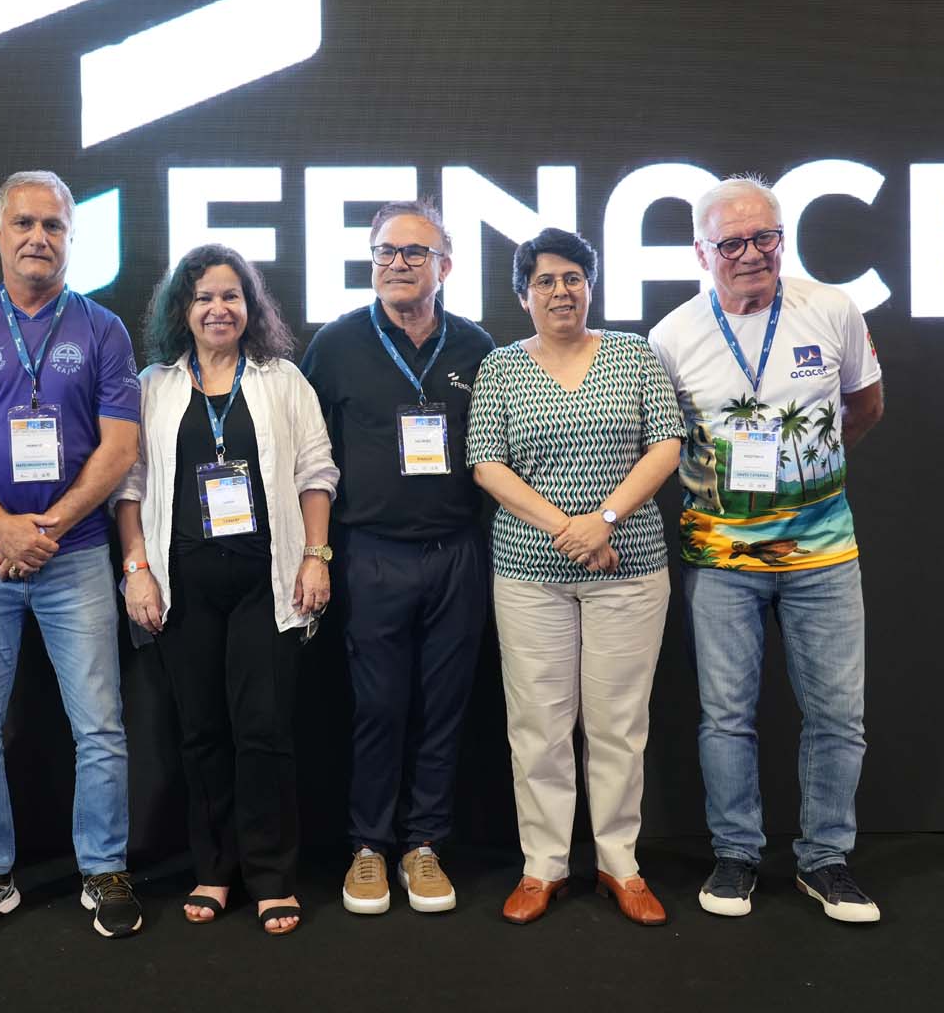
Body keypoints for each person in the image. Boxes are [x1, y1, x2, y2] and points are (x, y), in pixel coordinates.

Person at [648, 176, 885, 923]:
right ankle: (736, 855)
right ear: (701, 253)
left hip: (824, 553)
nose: (751, 254)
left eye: (765, 238)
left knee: (838, 716)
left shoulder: (833, 309)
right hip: (722, 560)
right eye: (732, 243)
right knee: (726, 717)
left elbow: (865, 405)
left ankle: (826, 860)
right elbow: (663, 443)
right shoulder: (671, 336)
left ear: (783, 239)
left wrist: (804, 482)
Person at [0, 170, 143, 941]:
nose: (38, 237)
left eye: (53, 225)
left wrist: (44, 527)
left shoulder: (104, 330)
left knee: (100, 726)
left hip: (75, 554)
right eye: (24, 223)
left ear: (71, 236)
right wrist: (2, 527)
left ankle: (103, 867)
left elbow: (119, 449)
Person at [114, 244, 338, 936]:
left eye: (231, 296)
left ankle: (270, 876)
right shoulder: (152, 385)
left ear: (250, 306)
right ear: (182, 309)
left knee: (264, 731)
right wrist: (136, 569)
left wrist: (316, 557)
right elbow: (129, 485)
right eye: (204, 297)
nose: (218, 308)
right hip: (181, 586)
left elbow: (316, 472)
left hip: (267, 583)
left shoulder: (282, 380)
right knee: (201, 732)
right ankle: (213, 869)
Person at [467, 228, 685, 926]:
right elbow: (487, 464)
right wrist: (572, 528)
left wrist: (606, 519)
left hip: (630, 565)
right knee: (538, 724)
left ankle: (621, 864)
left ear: (589, 286)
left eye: (572, 278)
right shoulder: (501, 367)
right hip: (530, 572)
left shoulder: (632, 354)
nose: (560, 291)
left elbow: (666, 445)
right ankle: (544, 866)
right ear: (523, 295)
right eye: (544, 281)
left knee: (619, 724)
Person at [300, 200, 495, 915]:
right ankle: (368, 846)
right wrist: (316, 553)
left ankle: (424, 845)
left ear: (446, 266)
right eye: (385, 251)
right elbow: (307, 457)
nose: (398, 264)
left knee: (444, 708)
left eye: (415, 253)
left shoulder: (477, 346)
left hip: (457, 554)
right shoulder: (337, 344)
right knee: (378, 708)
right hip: (370, 553)